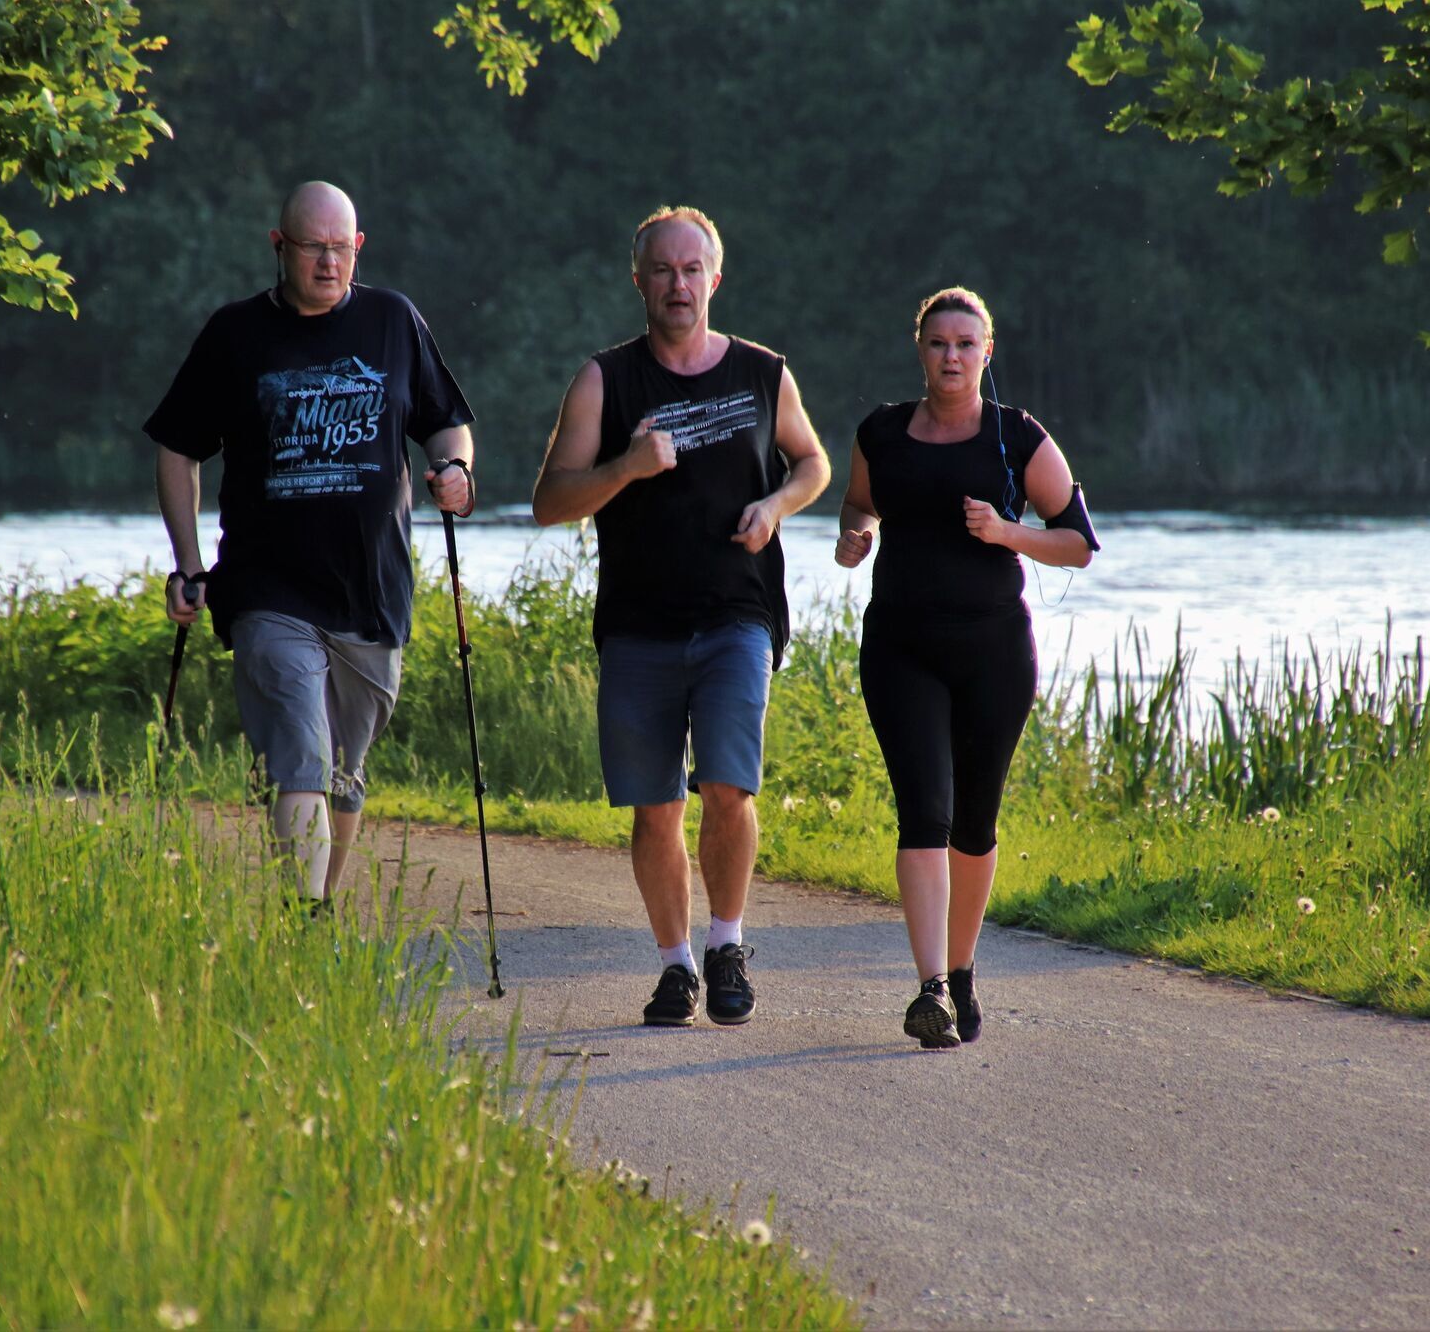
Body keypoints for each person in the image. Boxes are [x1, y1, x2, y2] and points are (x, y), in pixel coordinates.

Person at [532, 206, 831, 1027]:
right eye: (662, 270)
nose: (678, 283)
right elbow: (550, 500)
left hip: (738, 612)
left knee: (729, 786)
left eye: (692, 269)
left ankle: (727, 944)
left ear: (715, 279)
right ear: (640, 282)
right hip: (638, 624)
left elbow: (812, 461)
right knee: (655, 806)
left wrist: (775, 504)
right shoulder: (605, 380)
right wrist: (625, 466)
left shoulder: (763, 372)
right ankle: (674, 965)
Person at [146, 180, 477, 910]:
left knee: (344, 773)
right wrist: (189, 563)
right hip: (268, 592)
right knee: (303, 750)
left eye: (341, 248)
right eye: (312, 248)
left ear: (358, 247)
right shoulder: (235, 335)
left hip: (371, 592)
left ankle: (317, 914)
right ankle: (304, 915)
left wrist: (454, 468)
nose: (328, 263)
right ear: (279, 246)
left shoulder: (393, 320)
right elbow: (177, 449)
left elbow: (446, 421)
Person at [834, 286, 1099, 1049]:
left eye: (965, 343)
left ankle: (961, 969)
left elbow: (1077, 541)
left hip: (993, 652)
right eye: (938, 342)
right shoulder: (881, 432)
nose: (951, 356)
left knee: (974, 824)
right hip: (901, 647)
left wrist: (1008, 532)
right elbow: (858, 505)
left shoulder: (1017, 437)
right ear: (920, 351)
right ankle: (929, 991)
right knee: (924, 811)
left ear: (988, 352)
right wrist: (855, 536)